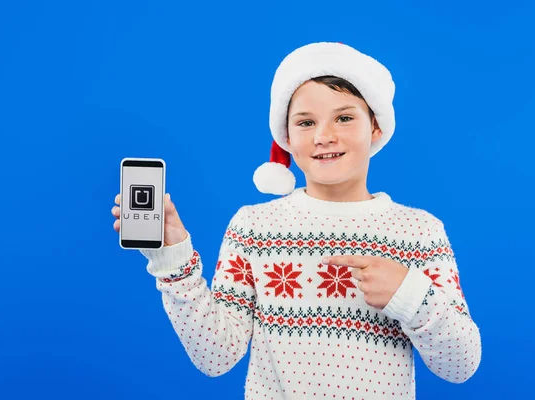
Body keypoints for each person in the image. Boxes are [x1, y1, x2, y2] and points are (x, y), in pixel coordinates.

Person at [111, 42, 482, 399]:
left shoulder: (419, 233)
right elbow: (216, 357)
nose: (324, 136)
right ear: (286, 136)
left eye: (345, 117)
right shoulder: (254, 228)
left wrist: (411, 295)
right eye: (306, 122)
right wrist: (173, 261)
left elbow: (460, 365)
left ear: (376, 127)